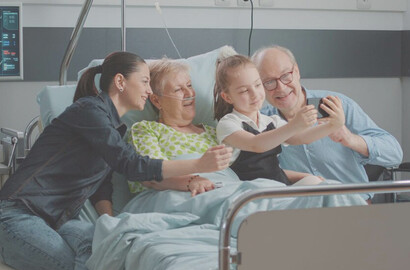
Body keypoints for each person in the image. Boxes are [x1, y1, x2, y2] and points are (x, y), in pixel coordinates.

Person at [0, 52, 231, 270]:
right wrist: (199, 165)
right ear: (120, 82)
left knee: (103, 250)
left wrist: (108, 221)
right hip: (18, 215)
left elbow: (100, 185)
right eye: (144, 81)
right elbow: (130, 165)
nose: (148, 89)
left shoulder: (112, 127)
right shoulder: (90, 111)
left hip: (59, 218)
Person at [251, 45, 403, 199]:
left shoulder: (337, 105)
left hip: (352, 208)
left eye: (285, 76)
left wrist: (350, 139)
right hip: (299, 212)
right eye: (269, 82)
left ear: (296, 71)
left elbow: (395, 154)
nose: (281, 88)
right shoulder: (260, 123)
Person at [213, 54, 345, 185]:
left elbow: (300, 137)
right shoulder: (228, 124)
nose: (255, 94)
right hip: (251, 191)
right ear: (228, 97)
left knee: (322, 183)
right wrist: (294, 125)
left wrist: (333, 125)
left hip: (279, 186)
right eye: (244, 91)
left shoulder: (270, 121)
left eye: (258, 85)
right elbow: (256, 144)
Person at [128, 58, 233, 197]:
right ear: (157, 100)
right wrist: (191, 181)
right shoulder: (146, 130)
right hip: (180, 195)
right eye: (178, 89)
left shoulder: (215, 132)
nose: (189, 94)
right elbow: (150, 176)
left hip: (229, 190)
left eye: (189, 85)